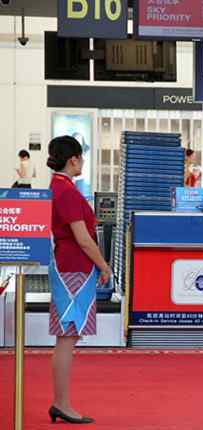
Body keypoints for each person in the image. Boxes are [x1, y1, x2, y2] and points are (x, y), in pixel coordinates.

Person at [47, 136, 112, 424]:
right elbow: (83, 239)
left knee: (67, 337)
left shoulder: (59, 188)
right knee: (67, 338)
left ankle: (61, 402)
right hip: (73, 269)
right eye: (81, 157)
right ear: (73, 159)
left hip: (68, 267)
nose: (82, 162)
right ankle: (61, 403)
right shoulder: (67, 192)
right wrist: (104, 266)